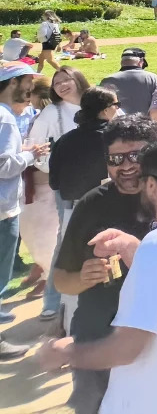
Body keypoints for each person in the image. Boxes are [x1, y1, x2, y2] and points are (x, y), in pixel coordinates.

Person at [35, 136, 157, 414]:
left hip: (154, 401)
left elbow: (127, 349)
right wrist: (134, 249)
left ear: (151, 184)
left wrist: (66, 353)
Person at [50, 115, 157, 413]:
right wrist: (84, 278)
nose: (126, 165)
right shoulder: (91, 204)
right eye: (116, 158)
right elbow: (62, 279)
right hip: (100, 336)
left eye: (136, 155)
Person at [26, 65, 89, 321]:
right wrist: (53, 166)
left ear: (79, 80)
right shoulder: (52, 112)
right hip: (69, 186)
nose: (62, 84)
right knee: (65, 241)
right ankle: (52, 301)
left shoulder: (95, 103)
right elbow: (35, 146)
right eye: (57, 81)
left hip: (100, 181)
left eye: (67, 79)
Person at [0, 64, 45, 357]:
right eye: (28, 81)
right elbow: (4, 165)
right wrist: (31, 155)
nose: (30, 88)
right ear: (13, 82)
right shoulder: (4, 119)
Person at [49, 87, 118, 211]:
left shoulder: (65, 140)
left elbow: (54, 181)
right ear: (106, 110)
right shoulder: (116, 139)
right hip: (109, 204)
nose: (118, 108)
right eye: (116, 104)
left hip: (73, 208)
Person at [98, 50, 157, 118]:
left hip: (116, 126)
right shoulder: (152, 78)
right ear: (141, 62)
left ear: (121, 62)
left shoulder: (108, 80)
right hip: (147, 125)